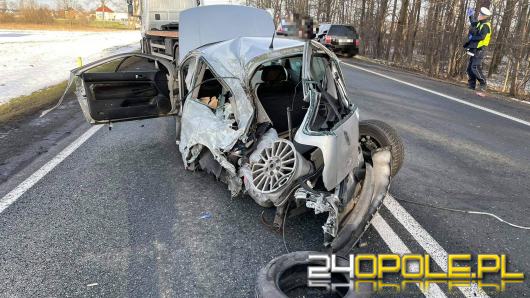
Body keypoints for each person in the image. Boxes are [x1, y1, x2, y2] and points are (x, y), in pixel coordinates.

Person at [464, 7, 492, 94]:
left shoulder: (486, 26)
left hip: (480, 49)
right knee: (469, 68)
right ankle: (471, 85)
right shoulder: (480, 23)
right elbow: (473, 23)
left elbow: (482, 37)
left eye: (480, 14)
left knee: (475, 67)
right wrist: (470, 15)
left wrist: (472, 37)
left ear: (484, 16)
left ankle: (483, 83)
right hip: (475, 48)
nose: (478, 15)